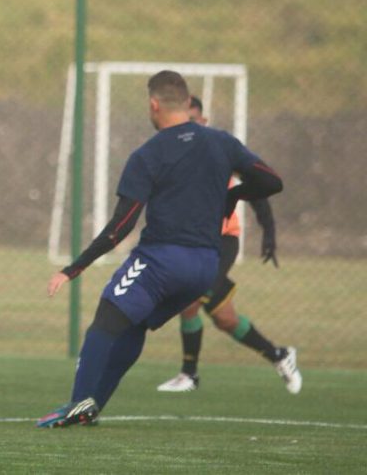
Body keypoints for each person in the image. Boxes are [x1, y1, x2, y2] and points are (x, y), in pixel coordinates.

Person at [38, 71, 283, 428]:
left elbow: (120, 227)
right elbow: (271, 181)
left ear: (154, 105)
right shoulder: (222, 143)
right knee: (133, 325)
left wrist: (72, 269)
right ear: (188, 104)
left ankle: (78, 403)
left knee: (106, 320)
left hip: (161, 261)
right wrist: (235, 194)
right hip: (204, 269)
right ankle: (91, 409)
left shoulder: (148, 154)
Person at [156, 97, 299, 394]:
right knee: (224, 318)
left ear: (203, 121)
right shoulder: (172, 154)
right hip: (193, 240)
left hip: (223, 239)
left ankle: (189, 374)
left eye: (194, 121)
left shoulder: (218, 149)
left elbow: (258, 187)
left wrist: (269, 231)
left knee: (190, 298)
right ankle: (279, 355)